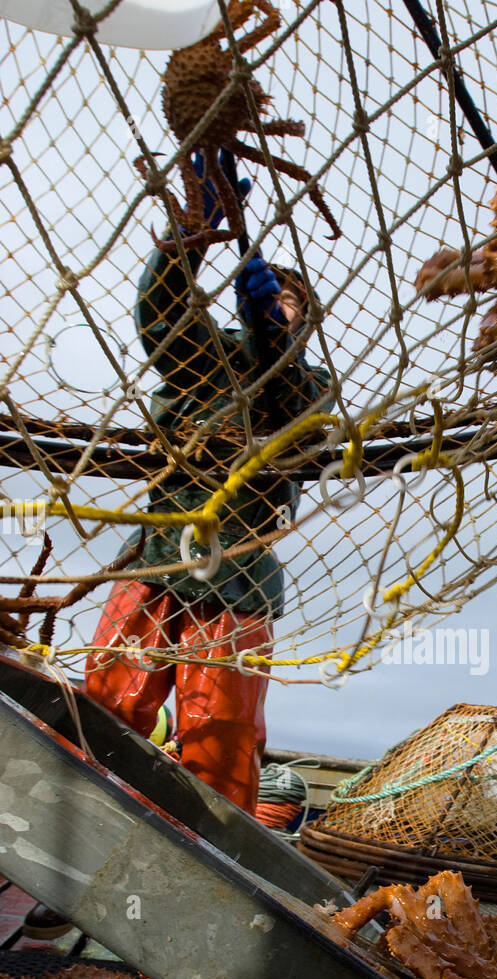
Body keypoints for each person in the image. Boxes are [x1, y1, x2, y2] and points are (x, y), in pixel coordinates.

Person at [85, 155, 331, 815]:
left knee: (221, 742)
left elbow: (300, 416)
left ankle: (207, 876)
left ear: (305, 323)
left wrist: (272, 334)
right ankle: (63, 861)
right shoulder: (208, 356)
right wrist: (184, 238)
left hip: (240, 587)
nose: (279, 306)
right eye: (271, 294)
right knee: (106, 708)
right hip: (158, 564)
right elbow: (160, 319)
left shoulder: (312, 388)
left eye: (292, 304)